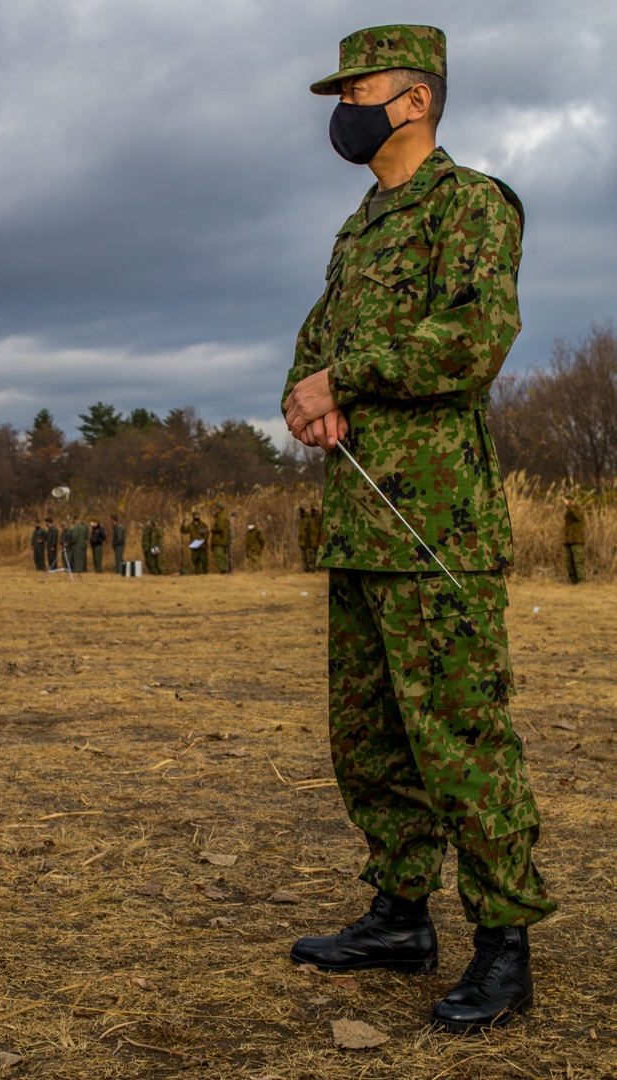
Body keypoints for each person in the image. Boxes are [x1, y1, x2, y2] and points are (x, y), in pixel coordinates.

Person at [281, 24, 556, 1035]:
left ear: (412, 101)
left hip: (434, 522)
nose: (338, 114)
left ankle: (503, 944)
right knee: (369, 739)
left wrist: (343, 379)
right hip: (357, 523)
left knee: (460, 739)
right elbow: (313, 342)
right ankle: (398, 914)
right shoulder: (358, 229)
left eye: (351, 93)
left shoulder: (471, 205)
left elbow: (475, 340)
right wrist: (303, 397)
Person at [563, 495, 586, 584]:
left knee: (578, 563)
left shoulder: (578, 510)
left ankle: (581, 583)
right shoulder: (569, 511)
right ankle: (573, 582)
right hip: (569, 541)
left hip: (577, 541)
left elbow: (576, 516)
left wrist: (569, 506)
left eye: (570, 500)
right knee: (569, 564)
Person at [211, 504, 232, 573]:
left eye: (216, 509)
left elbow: (220, 528)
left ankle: (223, 570)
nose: (215, 510)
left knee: (219, 555)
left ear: (218, 510)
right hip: (223, 539)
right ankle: (225, 569)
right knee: (224, 555)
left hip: (219, 540)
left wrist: (211, 529)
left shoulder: (221, 517)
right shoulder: (223, 517)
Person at [297, 506, 313, 572]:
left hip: (308, 541)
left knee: (309, 556)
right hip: (302, 540)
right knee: (303, 556)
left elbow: (311, 531)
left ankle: (311, 569)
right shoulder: (301, 519)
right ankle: (305, 569)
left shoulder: (308, 519)